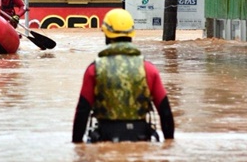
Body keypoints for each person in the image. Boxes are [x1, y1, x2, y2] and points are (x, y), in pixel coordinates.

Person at [72, 8, 174, 143]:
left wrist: (77, 146)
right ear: (131, 34)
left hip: (105, 138)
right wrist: (169, 145)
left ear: (107, 35)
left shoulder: (94, 69)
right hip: (141, 138)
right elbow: (165, 112)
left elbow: (82, 112)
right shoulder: (149, 69)